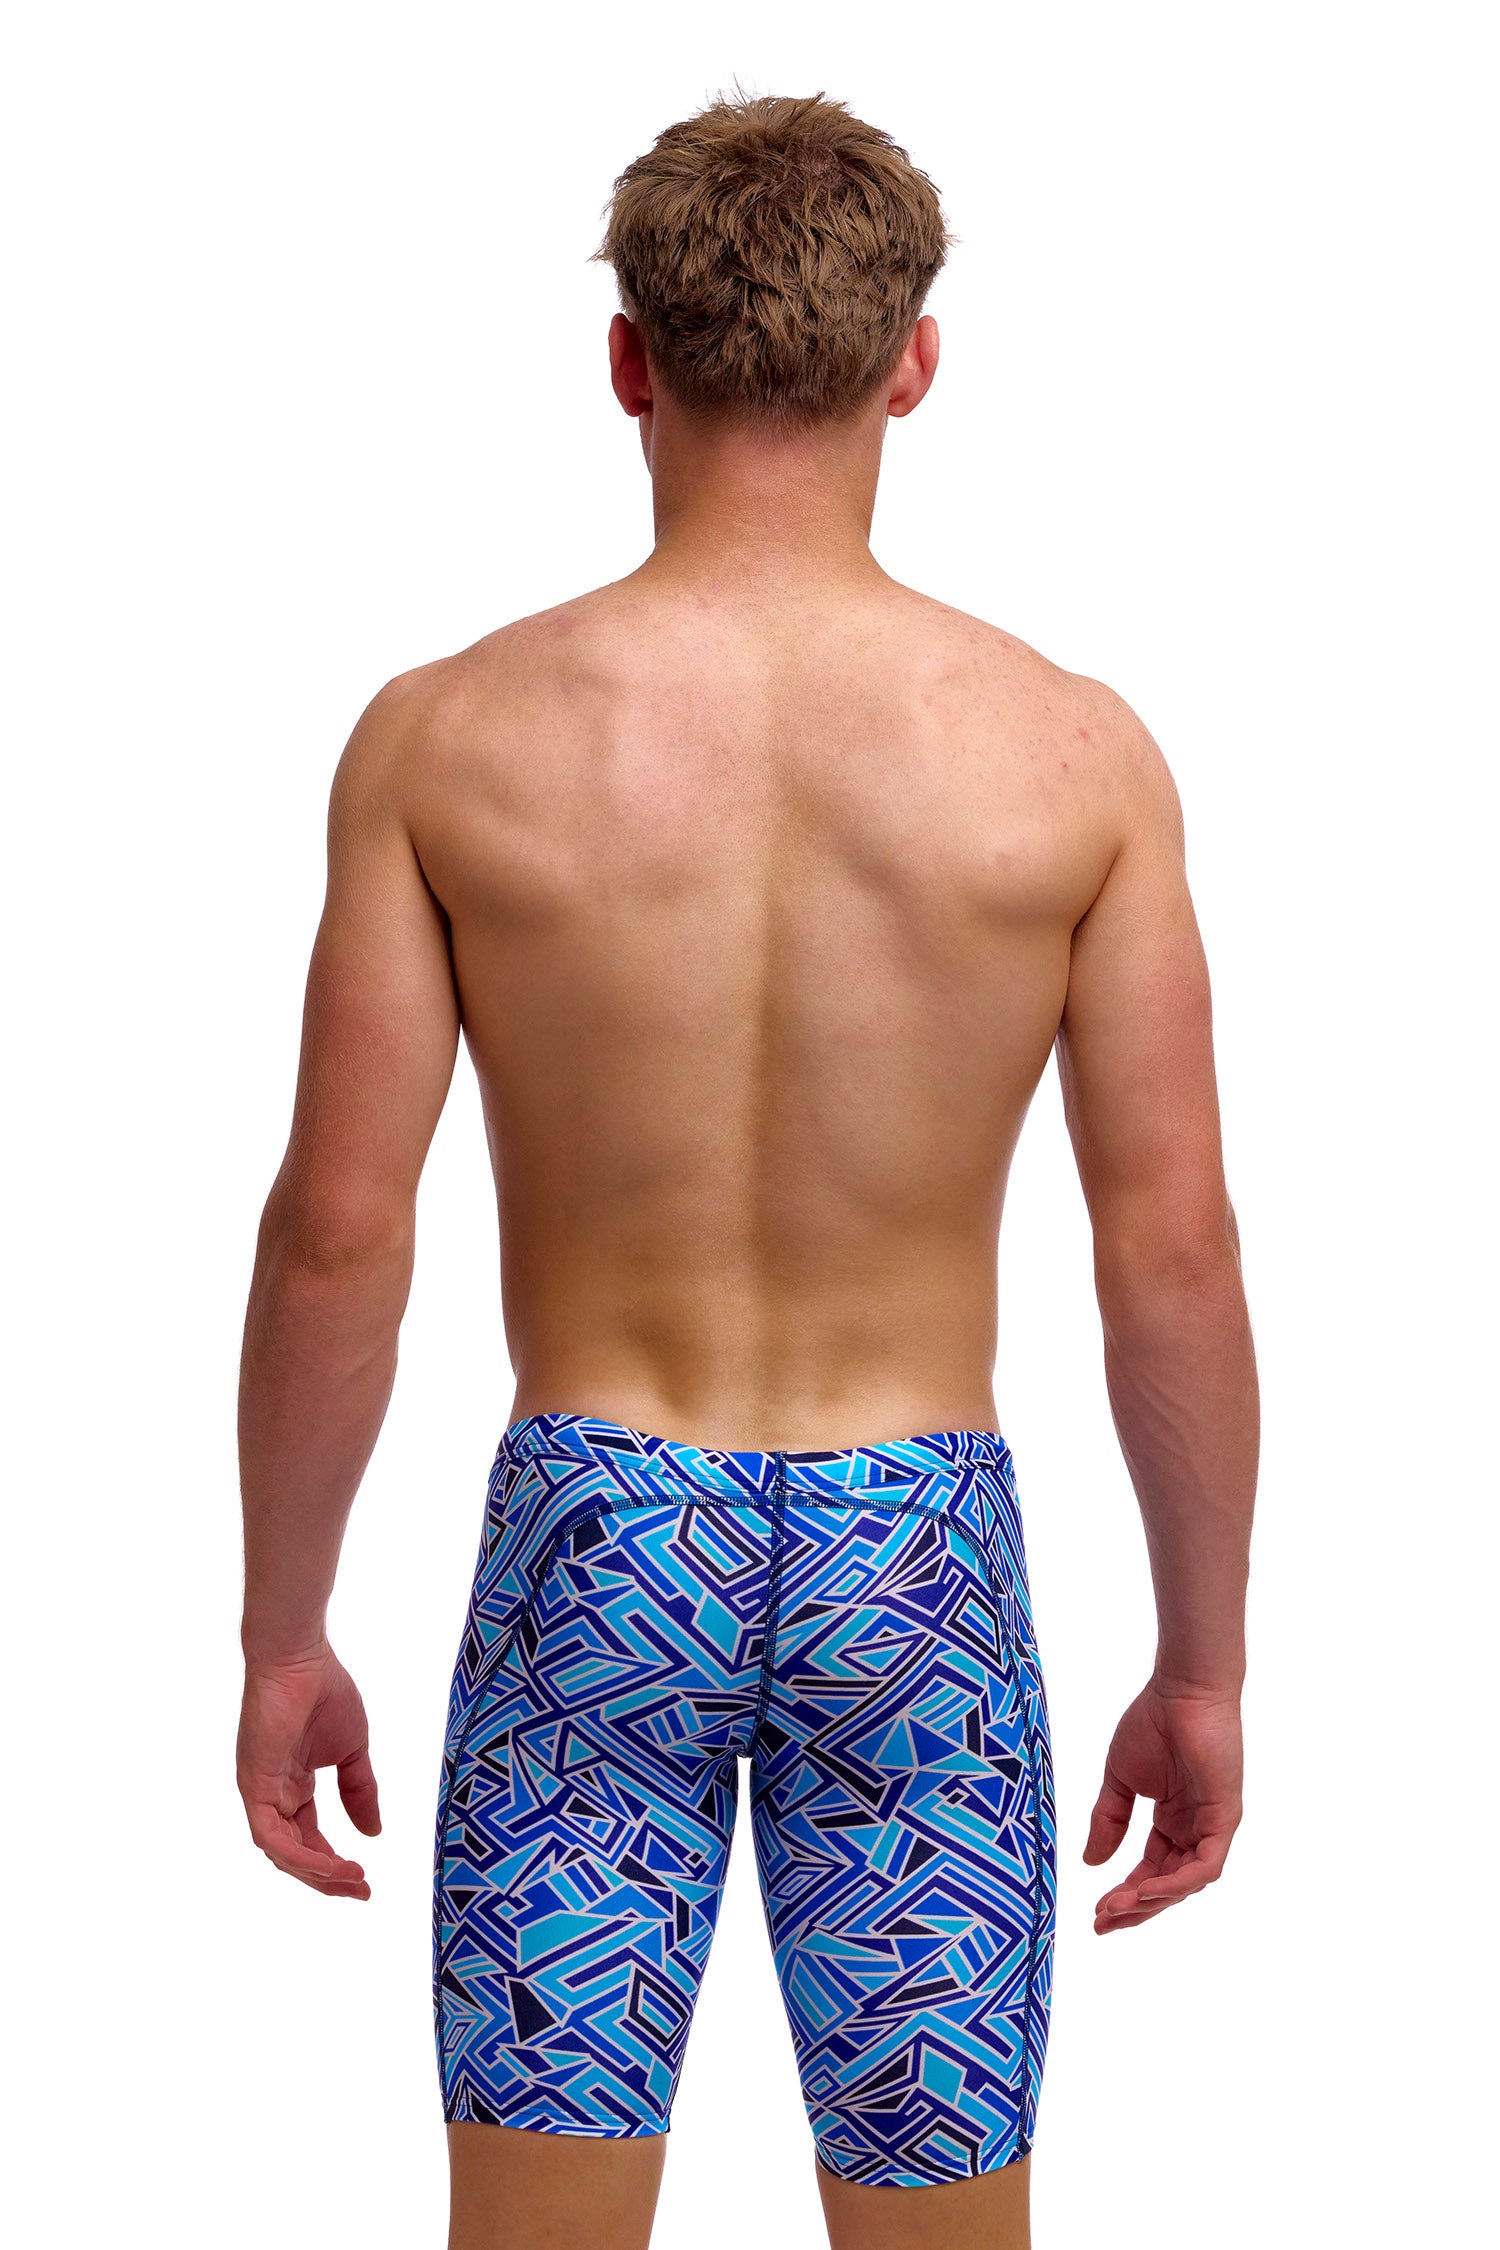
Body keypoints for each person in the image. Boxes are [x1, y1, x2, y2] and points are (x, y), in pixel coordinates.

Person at [236, 92, 1258, 2250]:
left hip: (599, 1542)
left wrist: (281, 1629)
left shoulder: (449, 740)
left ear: (628, 361)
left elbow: (338, 1235)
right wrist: (1204, 1667)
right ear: (915, 362)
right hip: (917, 1557)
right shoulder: (1074, 758)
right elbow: (1168, 1252)